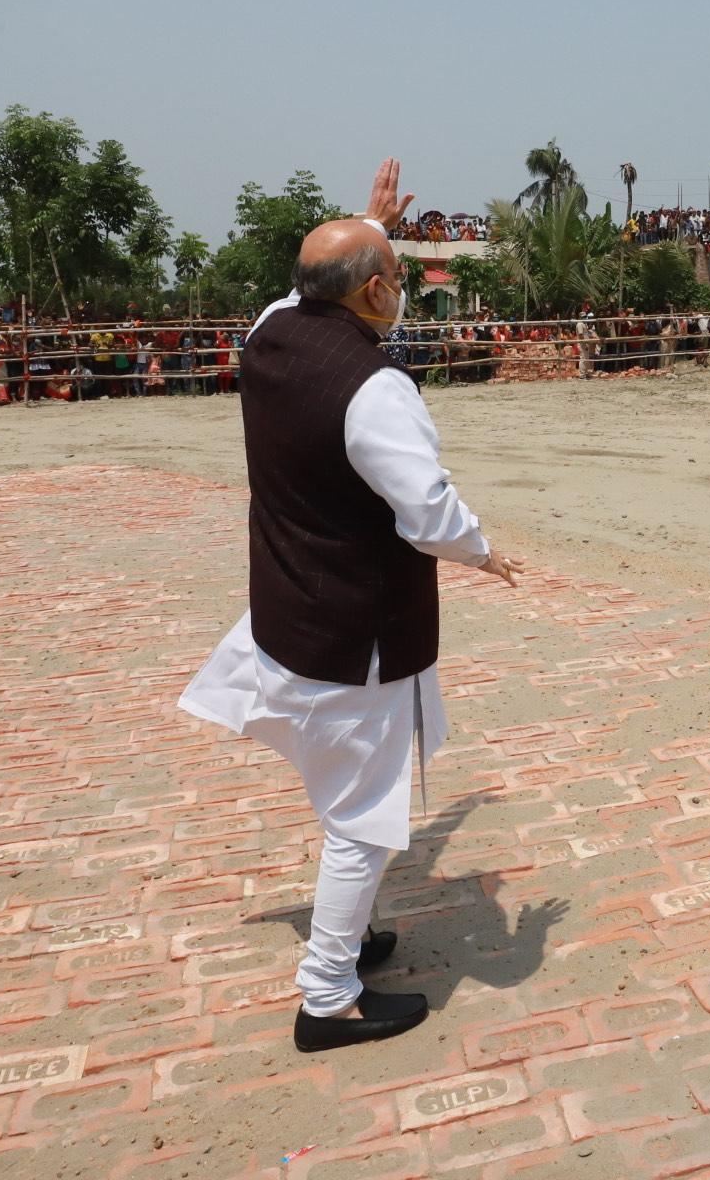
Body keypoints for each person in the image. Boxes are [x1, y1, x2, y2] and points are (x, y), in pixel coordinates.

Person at [178, 159, 523, 1053]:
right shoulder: (378, 389)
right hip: (356, 635)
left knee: (343, 794)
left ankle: (351, 933)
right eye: (397, 279)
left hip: (290, 610)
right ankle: (327, 997)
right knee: (363, 823)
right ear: (373, 292)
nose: (402, 292)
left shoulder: (268, 335)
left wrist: (370, 228)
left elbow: (305, 292)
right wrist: (481, 550)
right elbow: (430, 513)